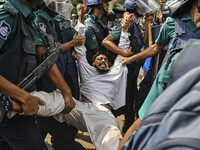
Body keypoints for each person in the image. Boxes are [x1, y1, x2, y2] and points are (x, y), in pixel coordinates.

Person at [10, 3, 133, 149]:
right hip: (79, 107)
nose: (103, 61)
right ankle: (11, 105)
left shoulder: (115, 72)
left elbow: (123, 49)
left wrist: (124, 29)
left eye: (106, 60)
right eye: (99, 59)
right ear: (92, 63)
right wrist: (81, 18)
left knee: (111, 134)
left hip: (103, 114)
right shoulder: (88, 71)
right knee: (57, 98)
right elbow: (80, 47)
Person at [118, 0, 200, 149]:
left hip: (193, 92)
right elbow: (155, 48)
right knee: (139, 128)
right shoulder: (173, 23)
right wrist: (131, 58)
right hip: (164, 86)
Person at [35, 0, 85, 149]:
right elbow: (47, 54)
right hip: (47, 80)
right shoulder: (39, 19)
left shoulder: (56, 19)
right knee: (48, 122)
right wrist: (71, 44)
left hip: (62, 74)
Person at [102, 0, 155, 133]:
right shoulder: (128, 23)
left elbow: (143, 42)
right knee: (120, 102)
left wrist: (148, 23)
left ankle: (127, 129)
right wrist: (125, 53)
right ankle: (105, 128)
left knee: (131, 101)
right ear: (136, 8)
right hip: (125, 71)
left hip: (133, 71)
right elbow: (106, 42)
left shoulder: (135, 23)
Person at [84, 0, 116, 65]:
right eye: (105, 2)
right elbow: (96, 50)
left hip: (105, 53)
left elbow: (115, 15)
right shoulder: (89, 26)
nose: (108, 4)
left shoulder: (103, 17)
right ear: (98, 5)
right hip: (96, 61)